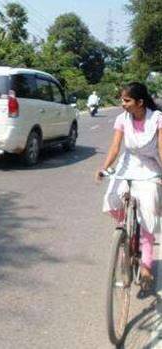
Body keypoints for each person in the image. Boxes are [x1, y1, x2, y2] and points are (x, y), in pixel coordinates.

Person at [95, 82, 162, 285]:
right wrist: (103, 168)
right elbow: (115, 147)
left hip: (150, 165)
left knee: (148, 208)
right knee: (112, 198)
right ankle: (127, 231)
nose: (122, 103)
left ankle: (146, 264)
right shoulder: (122, 119)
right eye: (122, 99)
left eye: (126, 100)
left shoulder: (157, 119)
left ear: (140, 102)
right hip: (128, 163)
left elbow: (161, 149)